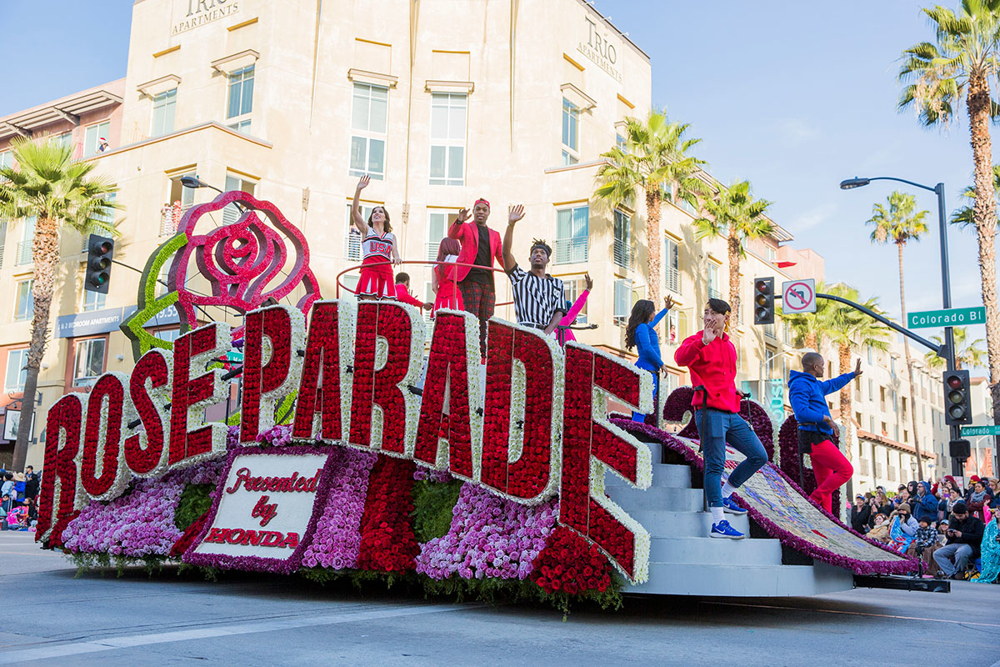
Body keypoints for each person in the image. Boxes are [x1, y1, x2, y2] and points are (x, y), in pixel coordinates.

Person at [675, 298, 768, 540]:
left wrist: (733, 390)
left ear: (726, 317)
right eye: (706, 311)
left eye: (715, 313)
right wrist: (704, 341)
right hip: (709, 410)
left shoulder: (730, 346)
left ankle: (726, 494)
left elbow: (725, 376)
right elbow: (680, 359)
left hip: (730, 410)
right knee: (715, 464)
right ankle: (718, 522)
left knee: (759, 455)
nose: (710, 316)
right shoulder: (697, 340)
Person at [788, 353, 859, 513]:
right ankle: (812, 501)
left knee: (825, 482)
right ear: (815, 367)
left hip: (820, 435)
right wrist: (826, 418)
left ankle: (826, 519)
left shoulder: (815, 385)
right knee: (846, 470)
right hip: (814, 437)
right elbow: (801, 412)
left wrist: (852, 375)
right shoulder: (800, 384)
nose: (823, 368)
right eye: (822, 365)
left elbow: (833, 384)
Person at [448, 199, 507, 355]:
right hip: (470, 277)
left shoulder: (495, 234)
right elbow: (453, 234)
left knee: (487, 318)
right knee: (472, 315)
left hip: (488, 280)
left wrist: (514, 272)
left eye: (484, 209)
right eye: (478, 209)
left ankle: (484, 353)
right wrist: (459, 220)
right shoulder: (466, 227)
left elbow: (501, 256)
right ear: (473, 212)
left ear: (488, 213)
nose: (481, 211)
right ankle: (470, 351)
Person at [500, 218, 566, 333]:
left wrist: (546, 334)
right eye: (535, 252)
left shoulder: (557, 284)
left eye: (542, 253)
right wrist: (511, 224)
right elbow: (505, 253)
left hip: (547, 333)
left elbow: (559, 311)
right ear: (530, 259)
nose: (538, 255)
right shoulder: (520, 277)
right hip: (525, 330)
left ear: (548, 260)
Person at [624, 296, 675, 424]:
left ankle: (637, 432)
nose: (654, 313)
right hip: (647, 371)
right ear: (647, 312)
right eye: (653, 311)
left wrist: (666, 309)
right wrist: (661, 364)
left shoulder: (645, 327)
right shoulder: (642, 327)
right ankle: (636, 434)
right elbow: (647, 348)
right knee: (642, 407)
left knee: (643, 407)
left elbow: (655, 320)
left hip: (650, 371)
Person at [352, 175, 400, 299]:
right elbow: (355, 212)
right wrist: (358, 190)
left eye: (380, 211)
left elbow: (395, 254)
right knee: (369, 305)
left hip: (386, 272)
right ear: (372, 217)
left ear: (385, 218)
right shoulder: (366, 230)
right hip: (369, 270)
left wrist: (397, 258)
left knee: (386, 306)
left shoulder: (391, 236)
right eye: (374, 212)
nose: (377, 213)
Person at [933, 501, 984, 579]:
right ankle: (953, 573)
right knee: (937, 553)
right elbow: (950, 536)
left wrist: (962, 535)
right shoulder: (954, 520)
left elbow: (978, 537)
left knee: (961, 552)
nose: (958, 518)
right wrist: (949, 535)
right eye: (956, 516)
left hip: (971, 545)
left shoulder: (977, 522)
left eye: (960, 516)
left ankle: (959, 571)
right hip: (955, 543)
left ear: (966, 513)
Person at [554, 273, 593, 345]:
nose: (575, 318)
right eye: (573, 316)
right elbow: (576, 308)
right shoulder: (562, 323)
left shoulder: (560, 327)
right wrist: (588, 290)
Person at [431, 237, 464, 315]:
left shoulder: (436, 264)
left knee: (440, 324)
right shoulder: (459, 261)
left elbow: (434, 287)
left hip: (440, 299)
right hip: (457, 298)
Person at [973, 513, 999, 584]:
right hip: (990, 547)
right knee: (991, 554)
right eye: (997, 510)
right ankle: (989, 576)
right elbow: (986, 539)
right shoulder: (991, 525)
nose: (998, 513)